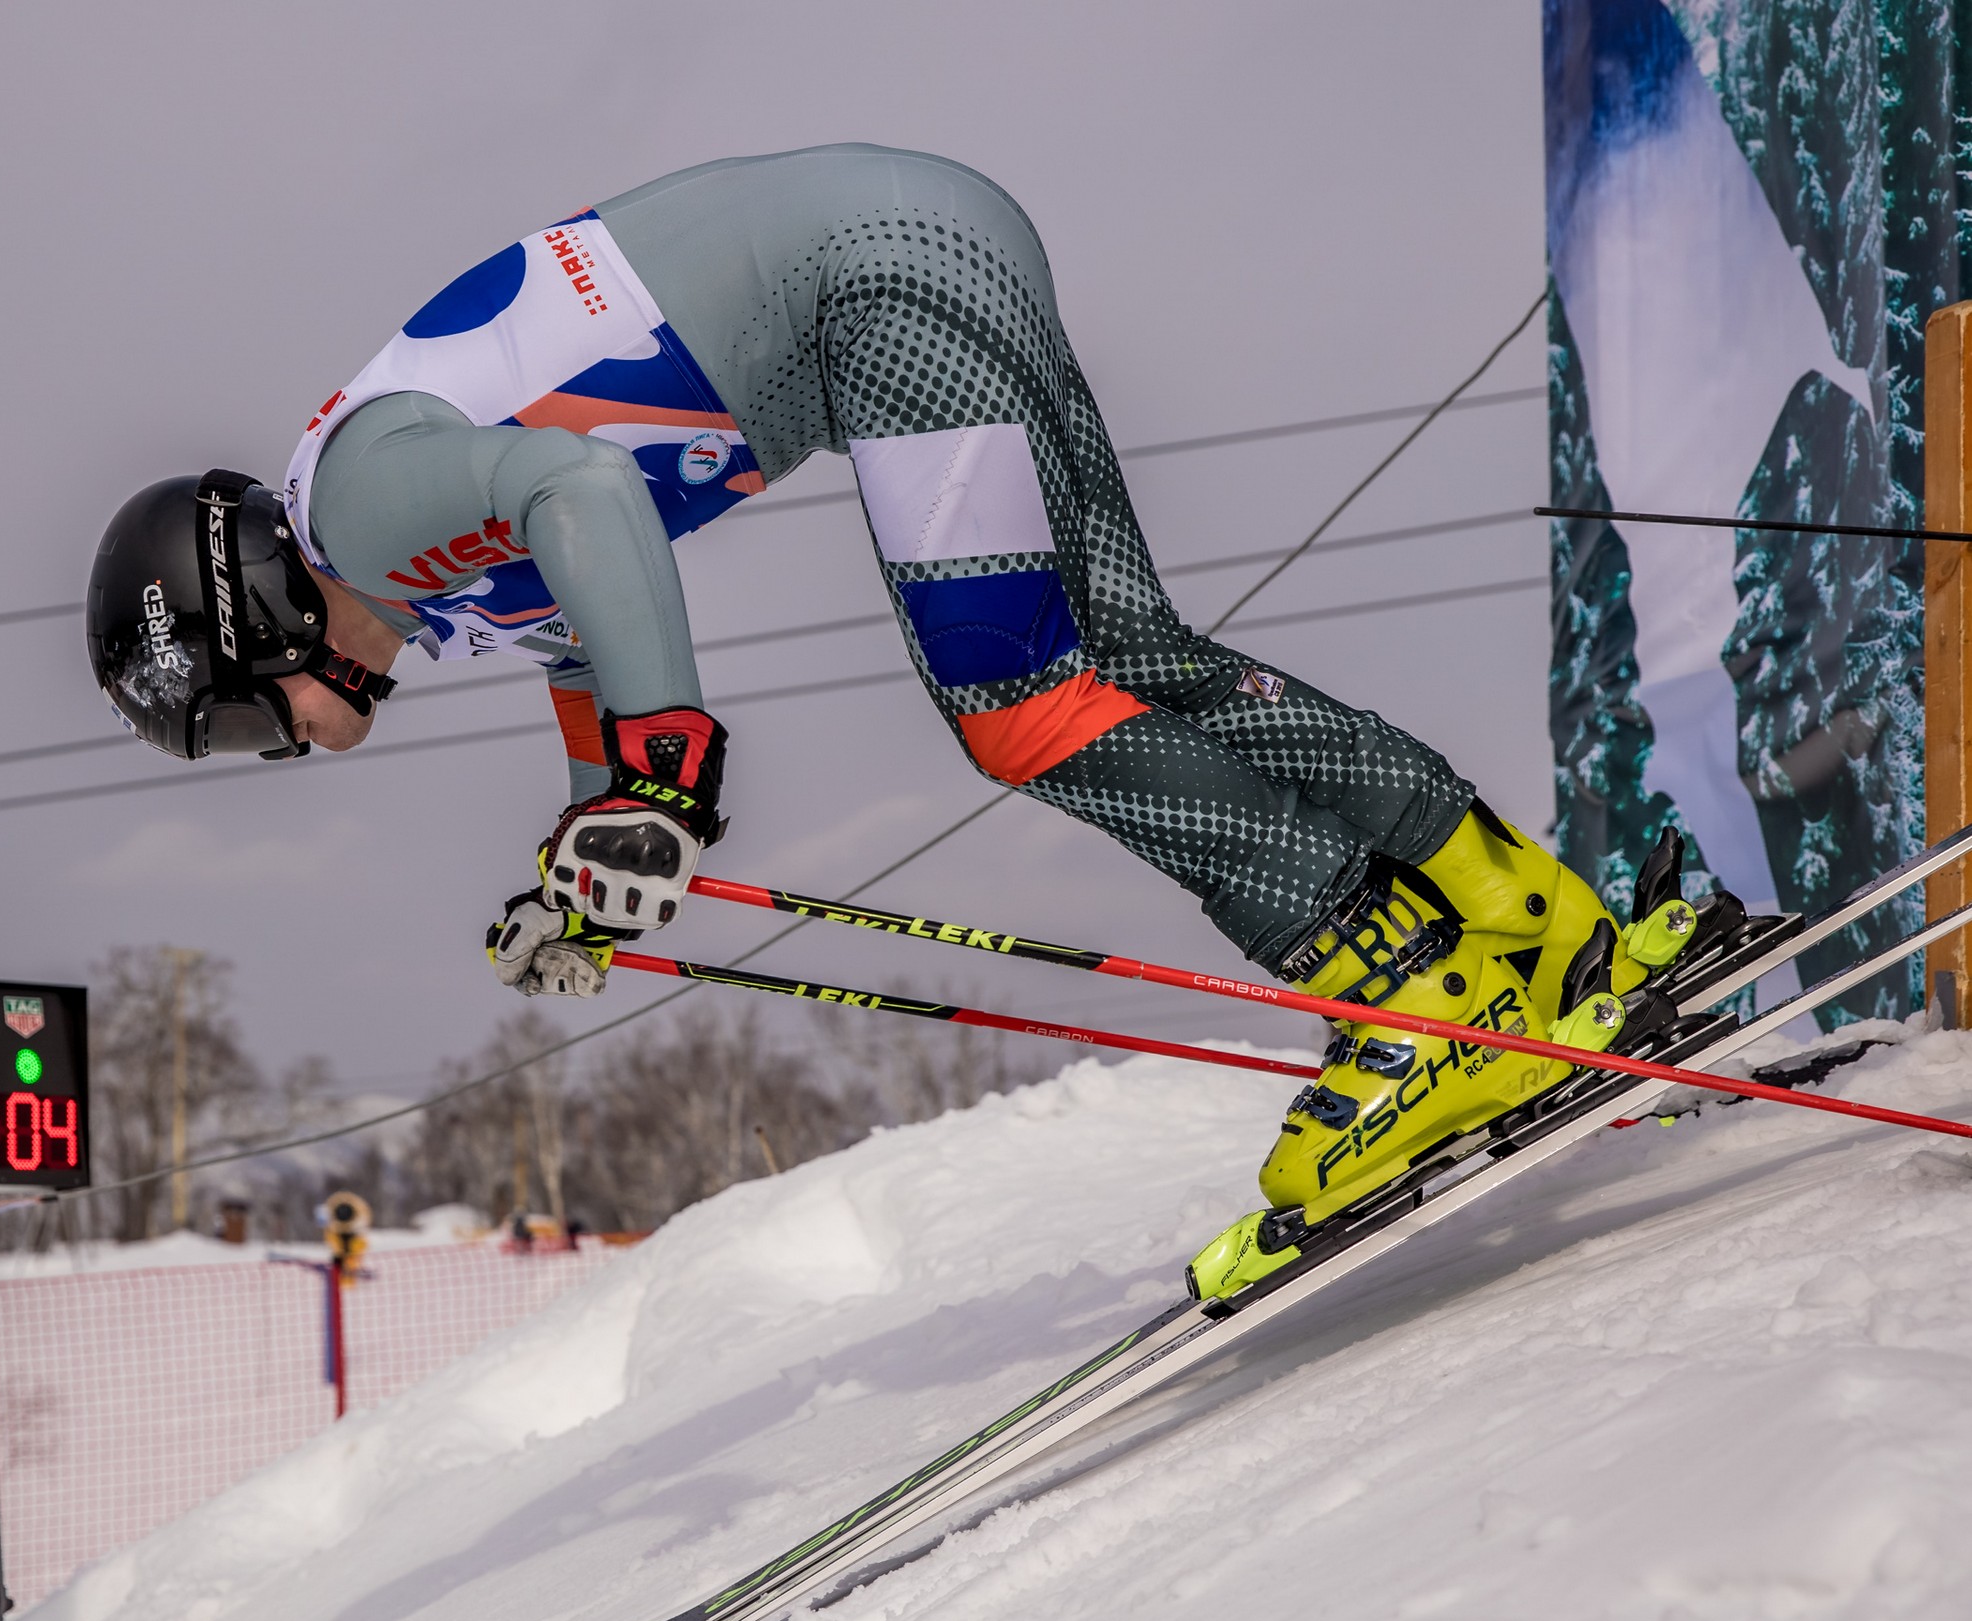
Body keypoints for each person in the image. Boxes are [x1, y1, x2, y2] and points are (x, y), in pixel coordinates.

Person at [87, 145, 1710, 1300]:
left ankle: (1407, 992)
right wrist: (598, 852)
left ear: (257, 619)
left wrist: (665, 764)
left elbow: (583, 491)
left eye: (242, 727)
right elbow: (584, 612)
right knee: (1128, 651)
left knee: (1014, 705)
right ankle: (1536, 922)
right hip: (926, 241)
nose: (282, 748)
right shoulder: (426, 569)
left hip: (884, 288)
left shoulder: (357, 508)